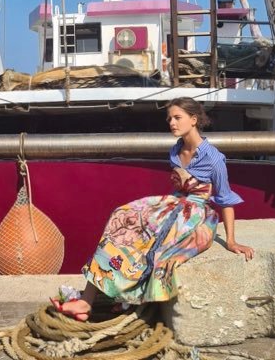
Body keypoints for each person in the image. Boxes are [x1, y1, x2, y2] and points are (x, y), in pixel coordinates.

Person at [51, 96, 255, 321]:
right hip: (172, 204)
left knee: (154, 245)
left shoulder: (214, 159)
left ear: (194, 119)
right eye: (170, 119)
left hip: (195, 215)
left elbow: (225, 200)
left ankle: (122, 296)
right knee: (123, 216)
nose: (172, 123)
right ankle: (86, 300)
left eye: (178, 118)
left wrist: (231, 241)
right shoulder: (175, 151)